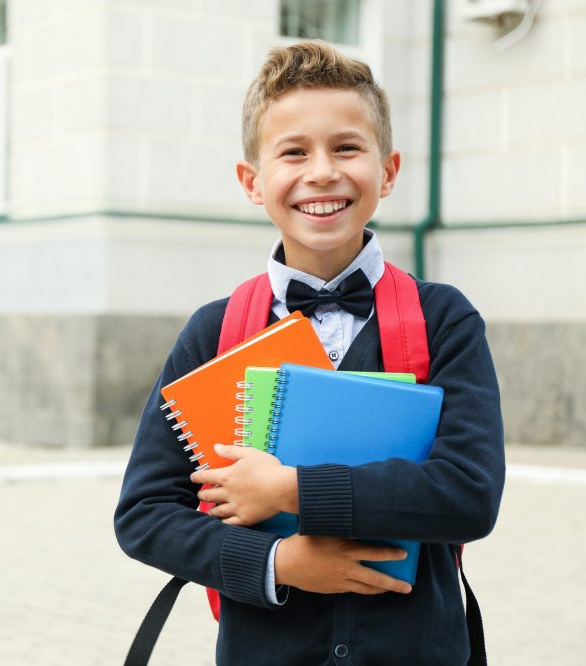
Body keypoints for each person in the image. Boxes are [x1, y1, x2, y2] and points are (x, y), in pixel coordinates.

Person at [113, 40, 505, 665]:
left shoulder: (443, 319)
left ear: (389, 170)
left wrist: (290, 489)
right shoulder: (214, 332)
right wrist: (277, 561)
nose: (321, 172)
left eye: (347, 147)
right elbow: (145, 514)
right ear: (252, 180)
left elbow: (469, 494)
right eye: (293, 152)